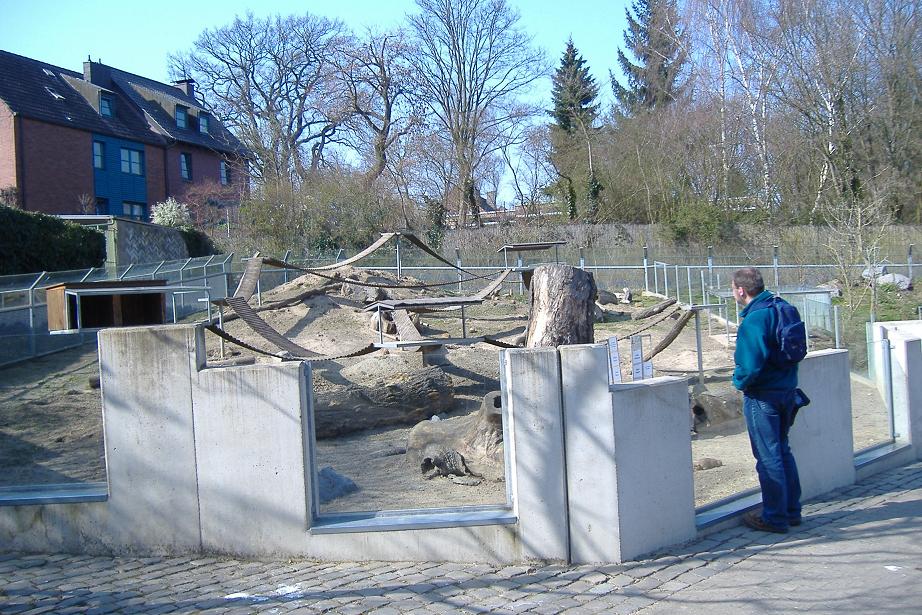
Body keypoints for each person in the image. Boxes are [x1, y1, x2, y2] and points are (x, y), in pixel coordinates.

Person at [731, 267, 802, 533]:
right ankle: (792, 511)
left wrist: (738, 383)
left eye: (733, 289)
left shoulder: (755, 319)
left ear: (741, 290)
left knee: (767, 456)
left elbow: (750, 366)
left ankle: (774, 517)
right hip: (787, 391)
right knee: (782, 451)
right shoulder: (783, 307)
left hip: (763, 397)